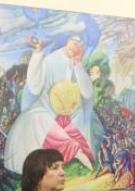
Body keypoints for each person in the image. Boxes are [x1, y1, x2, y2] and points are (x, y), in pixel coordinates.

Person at [5, 35, 95, 175]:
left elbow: (87, 93)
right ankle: (74, 150)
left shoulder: (77, 63)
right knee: (38, 119)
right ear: (66, 41)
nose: (77, 46)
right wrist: (38, 53)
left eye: (80, 43)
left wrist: (78, 66)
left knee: (79, 116)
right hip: (45, 109)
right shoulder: (50, 61)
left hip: (67, 112)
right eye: (74, 42)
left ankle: (77, 156)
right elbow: (34, 86)